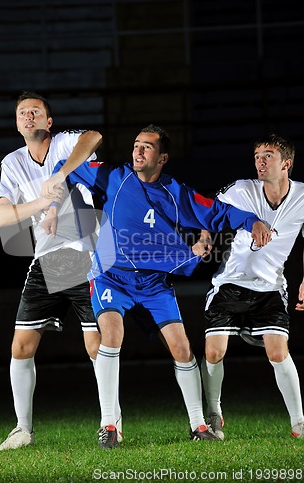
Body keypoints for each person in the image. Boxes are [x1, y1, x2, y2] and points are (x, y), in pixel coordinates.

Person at [40, 124, 271, 447]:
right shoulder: (113, 177)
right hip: (111, 276)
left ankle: (198, 425)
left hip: (153, 283)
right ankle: (110, 425)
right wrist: (52, 205)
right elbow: (63, 171)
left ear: (162, 158)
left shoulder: (177, 194)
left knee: (182, 348)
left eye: (147, 147)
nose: (138, 151)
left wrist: (252, 220)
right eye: (136, 145)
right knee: (112, 334)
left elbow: (217, 212)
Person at [0, 91, 120, 450]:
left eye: (35, 112)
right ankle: (23, 429)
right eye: (22, 113)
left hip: (84, 256)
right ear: (17, 123)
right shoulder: (12, 163)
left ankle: (111, 423)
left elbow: (94, 137)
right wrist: (42, 201)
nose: (28, 116)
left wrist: (61, 175)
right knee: (21, 345)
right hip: (46, 261)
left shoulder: (62, 145)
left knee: (96, 345)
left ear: (49, 122)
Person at [200, 133, 304, 441]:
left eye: (268, 155)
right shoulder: (242, 189)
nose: (260, 160)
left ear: (287, 164)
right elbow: (210, 210)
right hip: (230, 284)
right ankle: (215, 414)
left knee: (277, 352)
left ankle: (299, 422)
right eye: (258, 154)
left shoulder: (302, 197)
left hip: (270, 286)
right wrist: (205, 238)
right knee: (214, 353)